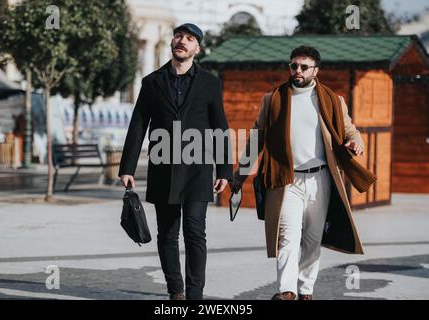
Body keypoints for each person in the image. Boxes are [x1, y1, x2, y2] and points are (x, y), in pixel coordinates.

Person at [231, 46, 376, 300]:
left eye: (303, 66)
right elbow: (256, 140)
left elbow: (349, 130)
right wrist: (239, 175)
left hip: (321, 178)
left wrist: (357, 141)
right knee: (287, 235)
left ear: (315, 70)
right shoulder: (273, 99)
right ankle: (286, 291)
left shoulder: (332, 99)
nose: (297, 71)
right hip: (286, 179)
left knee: (312, 238)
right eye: (293, 66)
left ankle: (305, 290)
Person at [118, 23, 232, 300]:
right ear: (173, 42)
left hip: (198, 168)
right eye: (179, 36)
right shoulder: (152, 82)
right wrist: (128, 167)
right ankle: (176, 291)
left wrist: (224, 170)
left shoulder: (210, 83)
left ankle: (195, 295)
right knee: (167, 235)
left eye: (190, 39)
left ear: (197, 48)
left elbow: (220, 126)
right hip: (163, 167)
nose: (182, 41)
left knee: (195, 232)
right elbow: (138, 125)